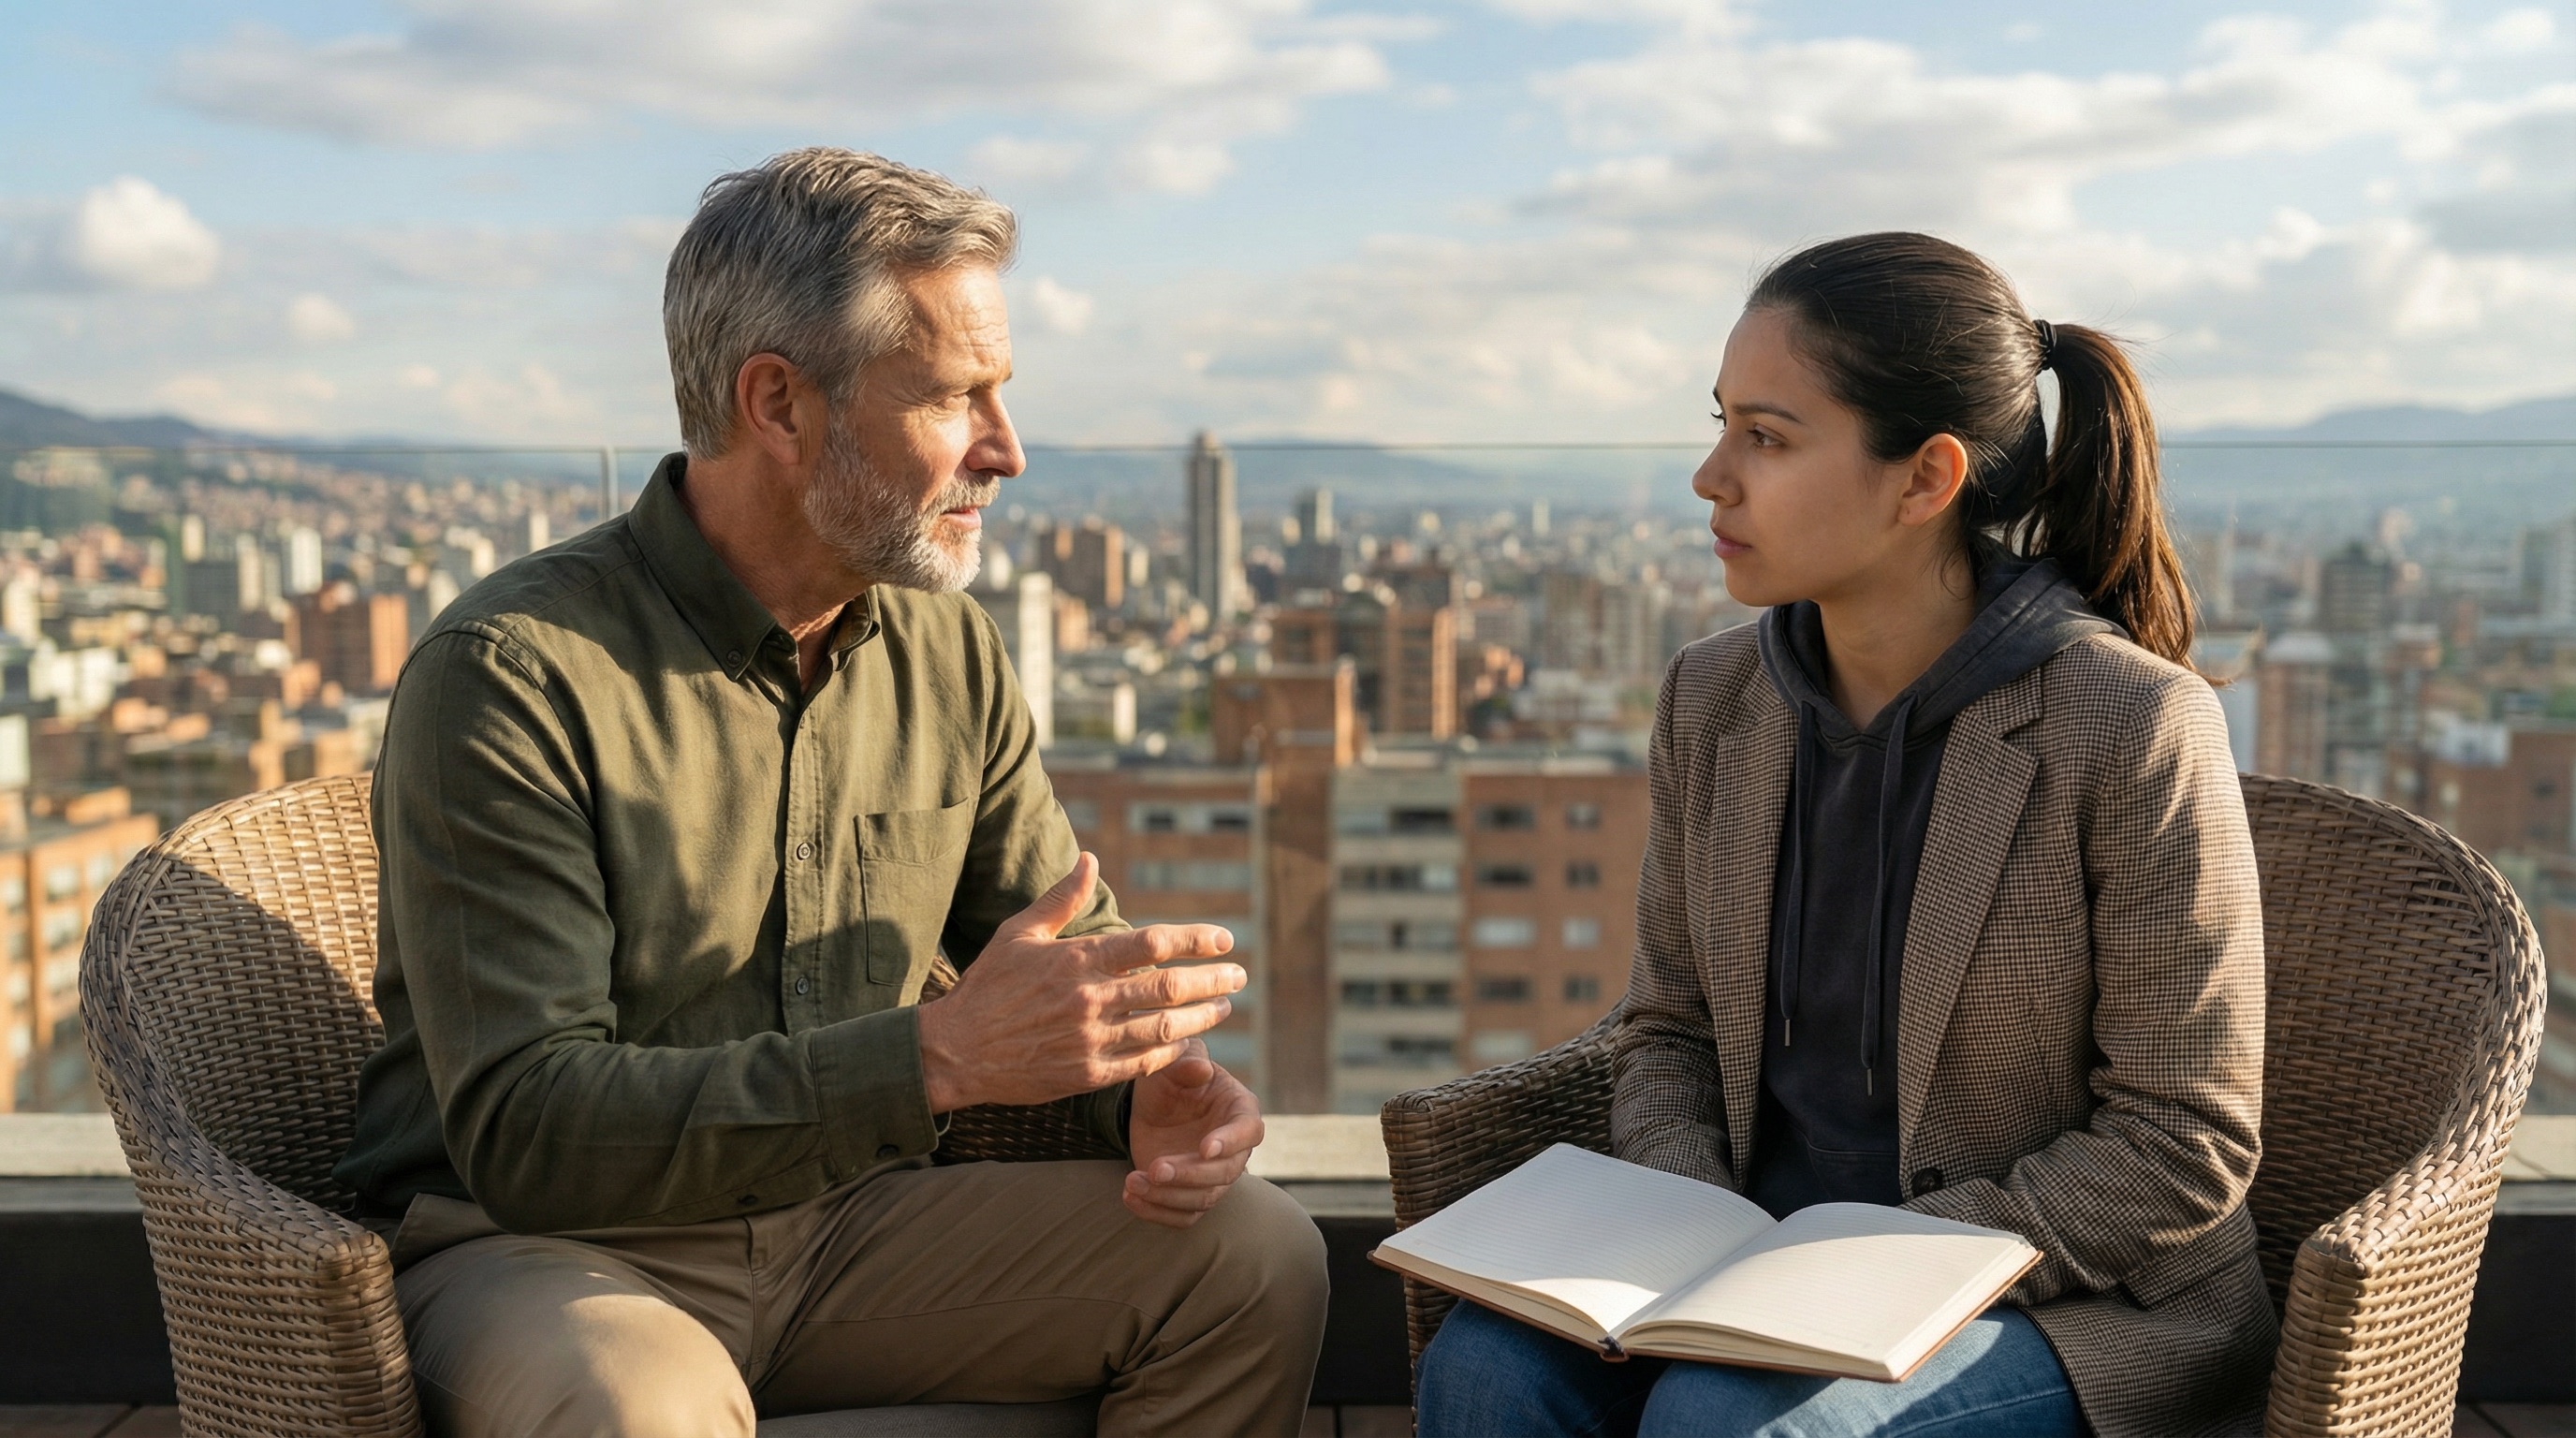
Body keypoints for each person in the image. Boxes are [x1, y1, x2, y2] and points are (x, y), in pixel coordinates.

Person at [333, 148, 1328, 1438]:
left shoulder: (948, 650)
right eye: (956, 397)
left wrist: (1142, 1087)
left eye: (1002, 396)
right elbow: (527, 1131)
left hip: (848, 1233)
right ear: (779, 404)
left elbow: (1063, 960)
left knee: (1258, 1261)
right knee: (640, 1407)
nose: (1007, 451)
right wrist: (933, 1057)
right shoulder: (512, 675)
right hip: (549, 1250)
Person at [1416, 233, 2274, 1438]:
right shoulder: (1713, 700)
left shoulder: (2129, 723)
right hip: (1743, 1263)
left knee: (1721, 1423)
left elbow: (2180, 1142)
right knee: (1485, 1371)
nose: (1710, 477)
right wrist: (1691, 1233)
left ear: (1924, 480)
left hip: (2063, 1300)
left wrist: (1863, 1268)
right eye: (1720, 425)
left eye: (1766, 438)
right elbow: (1667, 1030)